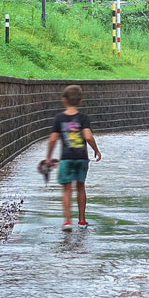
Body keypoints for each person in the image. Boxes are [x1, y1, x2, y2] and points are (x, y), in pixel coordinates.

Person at [45, 85, 102, 228]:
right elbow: (88, 136)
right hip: (82, 158)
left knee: (67, 189)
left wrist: (49, 157)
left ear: (64, 100)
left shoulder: (59, 119)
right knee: (81, 187)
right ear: (80, 101)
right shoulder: (83, 118)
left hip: (66, 158)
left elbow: (52, 139)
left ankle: (68, 220)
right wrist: (96, 150)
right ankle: (82, 219)